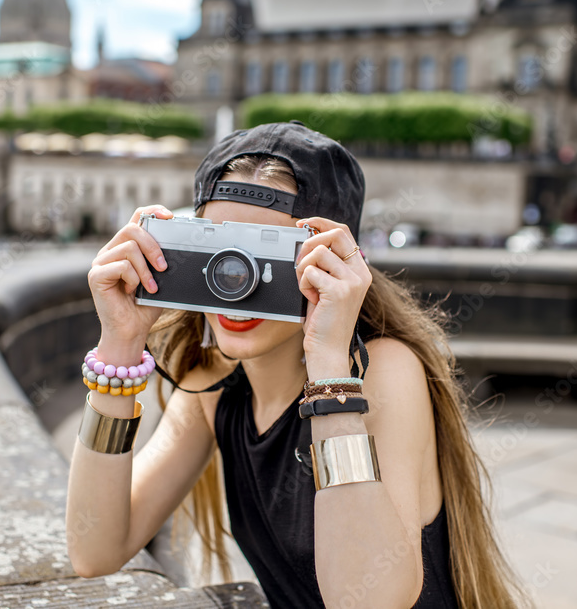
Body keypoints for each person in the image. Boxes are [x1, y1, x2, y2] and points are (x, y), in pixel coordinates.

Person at [67, 122, 525, 608]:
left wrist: (330, 368)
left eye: (267, 253)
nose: (234, 280)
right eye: (216, 248)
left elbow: (366, 602)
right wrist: (119, 345)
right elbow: (94, 550)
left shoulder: (384, 372)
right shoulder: (215, 388)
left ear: (335, 263)